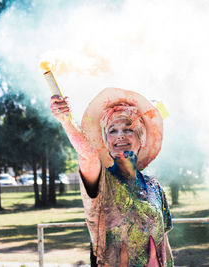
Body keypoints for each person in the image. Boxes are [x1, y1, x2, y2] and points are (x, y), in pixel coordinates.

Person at [50, 87, 173, 267]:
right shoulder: (102, 182)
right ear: (106, 141)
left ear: (141, 138)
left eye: (128, 129)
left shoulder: (154, 186)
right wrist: (66, 120)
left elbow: (164, 243)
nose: (120, 136)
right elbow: (88, 156)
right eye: (112, 131)